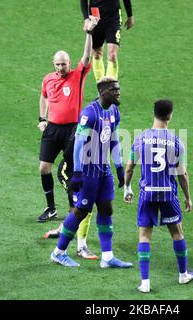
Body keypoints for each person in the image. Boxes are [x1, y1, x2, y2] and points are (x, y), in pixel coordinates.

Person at [50, 77, 132, 268]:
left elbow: (113, 140)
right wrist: (77, 172)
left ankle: (107, 257)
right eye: (115, 90)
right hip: (87, 170)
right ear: (104, 92)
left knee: (106, 209)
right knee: (81, 211)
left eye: (118, 89)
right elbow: (79, 143)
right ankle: (58, 252)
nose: (118, 93)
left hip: (103, 170)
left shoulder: (113, 111)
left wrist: (119, 167)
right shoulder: (90, 113)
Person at [124, 99, 193, 293]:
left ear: (154, 113)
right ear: (169, 116)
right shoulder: (176, 142)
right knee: (177, 233)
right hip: (168, 194)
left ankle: (145, 282)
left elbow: (130, 166)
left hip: (147, 194)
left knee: (144, 236)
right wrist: (188, 197)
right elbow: (182, 174)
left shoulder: (141, 139)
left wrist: (127, 187)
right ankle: (183, 275)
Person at [36, 15, 99, 223]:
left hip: (73, 129)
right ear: (53, 64)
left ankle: (74, 208)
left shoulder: (77, 75)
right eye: (57, 65)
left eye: (63, 65)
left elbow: (87, 57)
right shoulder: (48, 79)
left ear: (69, 64)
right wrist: (42, 118)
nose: (60, 68)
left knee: (70, 170)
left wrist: (89, 34)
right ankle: (51, 208)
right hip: (52, 128)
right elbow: (43, 97)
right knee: (44, 168)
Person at [42, 126, 98, 260]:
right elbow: (68, 155)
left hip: (87, 172)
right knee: (82, 205)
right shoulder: (84, 127)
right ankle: (81, 247)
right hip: (70, 172)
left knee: (78, 207)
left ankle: (62, 229)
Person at [81, 0, 134, 81]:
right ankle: (101, 87)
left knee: (112, 55)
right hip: (96, 16)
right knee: (96, 54)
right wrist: (86, 19)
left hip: (113, 18)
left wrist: (130, 15)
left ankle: (111, 88)